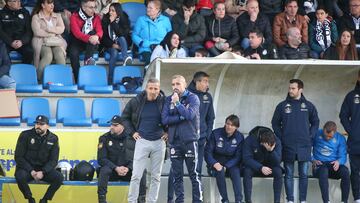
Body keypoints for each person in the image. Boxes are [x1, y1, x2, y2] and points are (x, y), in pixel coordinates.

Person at [168, 71, 215, 202]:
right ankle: (171, 199)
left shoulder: (207, 97)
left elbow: (211, 118)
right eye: (205, 81)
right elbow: (169, 117)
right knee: (175, 172)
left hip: (200, 139)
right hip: (181, 139)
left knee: (196, 171)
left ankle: (197, 200)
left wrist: (207, 136)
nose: (207, 84)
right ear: (197, 81)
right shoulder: (182, 95)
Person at [272, 79, 319, 203]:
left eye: (293, 88)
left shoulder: (309, 106)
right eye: (289, 88)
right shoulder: (282, 106)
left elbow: (315, 122)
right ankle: (290, 200)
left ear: (300, 90)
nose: (290, 90)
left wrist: (311, 135)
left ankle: (302, 200)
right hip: (288, 145)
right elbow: (275, 123)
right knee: (288, 174)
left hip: (305, 145)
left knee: (304, 174)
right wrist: (282, 137)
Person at [122, 78, 167, 203]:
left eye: (156, 88)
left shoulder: (165, 102)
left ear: (159, 89)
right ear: (146, 88)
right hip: (142, 141)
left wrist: (168, 132)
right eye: (151, 88)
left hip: (159, 142)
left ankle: (152, 201)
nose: (153, 91)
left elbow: (173, 119)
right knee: (136, 175)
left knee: (156, 177)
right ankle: (132, 201)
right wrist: (132, 132)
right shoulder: (136, 101)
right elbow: (124, 118)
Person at [162, 75, 203, 203]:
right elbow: (164, 119)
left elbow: (190, 115)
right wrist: (179, 118)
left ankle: (198, 201)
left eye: (178, 84)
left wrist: (178, 103)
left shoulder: (193, 98)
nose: (175, 87)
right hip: (174, 142)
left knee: (194, 175)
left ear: (184, 85)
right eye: (173, 84)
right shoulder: (168, 100)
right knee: (177, 176)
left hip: (189, 141)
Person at [14, 115, 63, 203]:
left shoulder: (53, 138)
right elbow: (18, 157)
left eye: (41, 124)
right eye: (36, 123)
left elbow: (53, 160)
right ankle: (30, 198)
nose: (38, 126)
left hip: (43, 170)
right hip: (27, 169)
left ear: (47, 126)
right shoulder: (25, 135)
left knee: (59, 177)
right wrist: (31, 171)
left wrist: (43, 171)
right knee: (19, 175)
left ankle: (45, 199)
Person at [97, 115, 137, 203]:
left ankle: (141, 199)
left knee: (141, 171)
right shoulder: (104, 138)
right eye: (111, 124)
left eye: (115, 125)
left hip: (127, 171)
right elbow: (101, 159)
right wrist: (116, 168)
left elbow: (137, 157)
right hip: (112, 171)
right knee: (104, 170)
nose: (112, 127)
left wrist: (128, 168)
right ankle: (102, 199)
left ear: (123, 126)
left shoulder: (131, 139)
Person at [204, 114, 244, 203]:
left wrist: (227, 166)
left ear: (236, 127)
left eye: (232, 125)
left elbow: (238, 156)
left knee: (235, 171)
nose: (229, 127)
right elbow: (207, 153)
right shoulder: (215, 133)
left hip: (231, 164)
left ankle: (239, 200)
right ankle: (225, 200)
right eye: (228, 124)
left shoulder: (239, 137)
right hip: (216, 164)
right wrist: (214, 163)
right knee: (220, 171)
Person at [312, 121, 350, 203]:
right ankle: (326, 201)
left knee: (345, 172)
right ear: (323, 130)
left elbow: (343, 155)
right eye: (326, 136)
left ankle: (344, 201)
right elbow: (306, 148)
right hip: (319, 165)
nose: (327, 138)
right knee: (323, 171)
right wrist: (312, 159)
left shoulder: (340, 138)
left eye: (330, 137)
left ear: (335, 133)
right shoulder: (316, 133)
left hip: (333, 165)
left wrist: (339, 162)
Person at [242, 126, 282, 203]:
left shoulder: (277, 141)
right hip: (255, 166)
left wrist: (271, 151)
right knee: (247, 171)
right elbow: (246, 159)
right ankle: (248, 200)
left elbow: (278, 161)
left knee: (278, 172)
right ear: (261, 142)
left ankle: (277, 201)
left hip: (270, 166)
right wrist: (260, 167)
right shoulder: (250, 139)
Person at [31, 0, 67, 81]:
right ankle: (38, 79)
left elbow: (61, 29)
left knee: (59, 54)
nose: (52, 5)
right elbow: (37, 32)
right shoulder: (36, 17)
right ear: (43, 5)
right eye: (49, 3)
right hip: (42, 41)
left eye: (53, 3)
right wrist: (52, 33)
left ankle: (62, 80)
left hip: (55, 41)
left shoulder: (57, 16)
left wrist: (49, 29)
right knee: (48, 56)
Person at [69, 0, 103, 81]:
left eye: (95, 7)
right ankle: (78, 79)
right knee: (73, 53)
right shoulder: (74, 16)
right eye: (91, 7)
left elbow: (100, 31)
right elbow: (77, 34)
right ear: (83, 8)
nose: (93, 10)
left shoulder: (96, 17)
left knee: (93, 32)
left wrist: (97, 36)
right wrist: (90, 38)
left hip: (91, 43)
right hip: (77, 41)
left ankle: (87, 63)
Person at [340, 70, 360, 203]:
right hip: (356, 142)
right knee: (355, 171)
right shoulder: (351, 96)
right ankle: (357, 198)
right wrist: (352, 131)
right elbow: (343, 116)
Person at [132, 0, 172, 65]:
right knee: (150, 62)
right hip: (146, 48)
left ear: (157, 9)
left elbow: (170, 35)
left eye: (150, 8)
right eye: (147, 7)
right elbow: (134, 35)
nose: (148, 9)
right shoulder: (141, 19)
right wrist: (142, 43)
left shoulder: (165, 20)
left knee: (164, 64)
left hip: (161, 48)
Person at [101, 2, 132, 83]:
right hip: (110, 46)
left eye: (113, 10)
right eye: (110, 10)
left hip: (122, 44)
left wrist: (113, 23)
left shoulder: (124, 19)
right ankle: (110, 80)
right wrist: (112, 45)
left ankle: (125, 58)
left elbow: (123, 35)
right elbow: (103, 38)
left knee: (121, 38)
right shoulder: (105, 20)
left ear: (118, 11)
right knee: (114, 53)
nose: (110, 12)